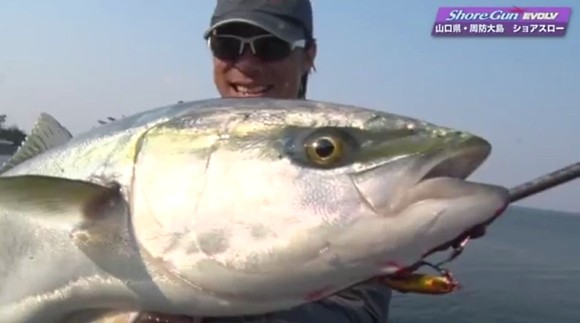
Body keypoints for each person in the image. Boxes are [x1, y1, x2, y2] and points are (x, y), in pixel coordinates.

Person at [137, 0, 393, 322]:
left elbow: (356, 313)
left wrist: (200, 311)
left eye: (271, 46)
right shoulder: (165, 147)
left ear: (309, 56)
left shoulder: (347, 174)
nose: (246, 64)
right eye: (227, 45)